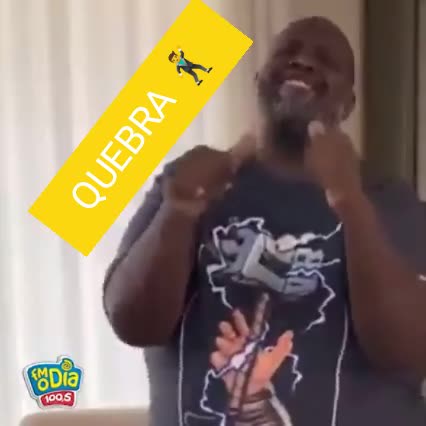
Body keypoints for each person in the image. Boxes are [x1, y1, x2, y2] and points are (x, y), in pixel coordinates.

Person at [103, 16, 426, 426]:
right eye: (287, 52)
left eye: (326, 60)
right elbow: (132, 323)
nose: (303, 60)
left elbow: (410, 349)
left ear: (348, 104)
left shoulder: (390, 200)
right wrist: (179, 210)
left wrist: (351, 202)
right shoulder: (189, 183)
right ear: (258, 81)